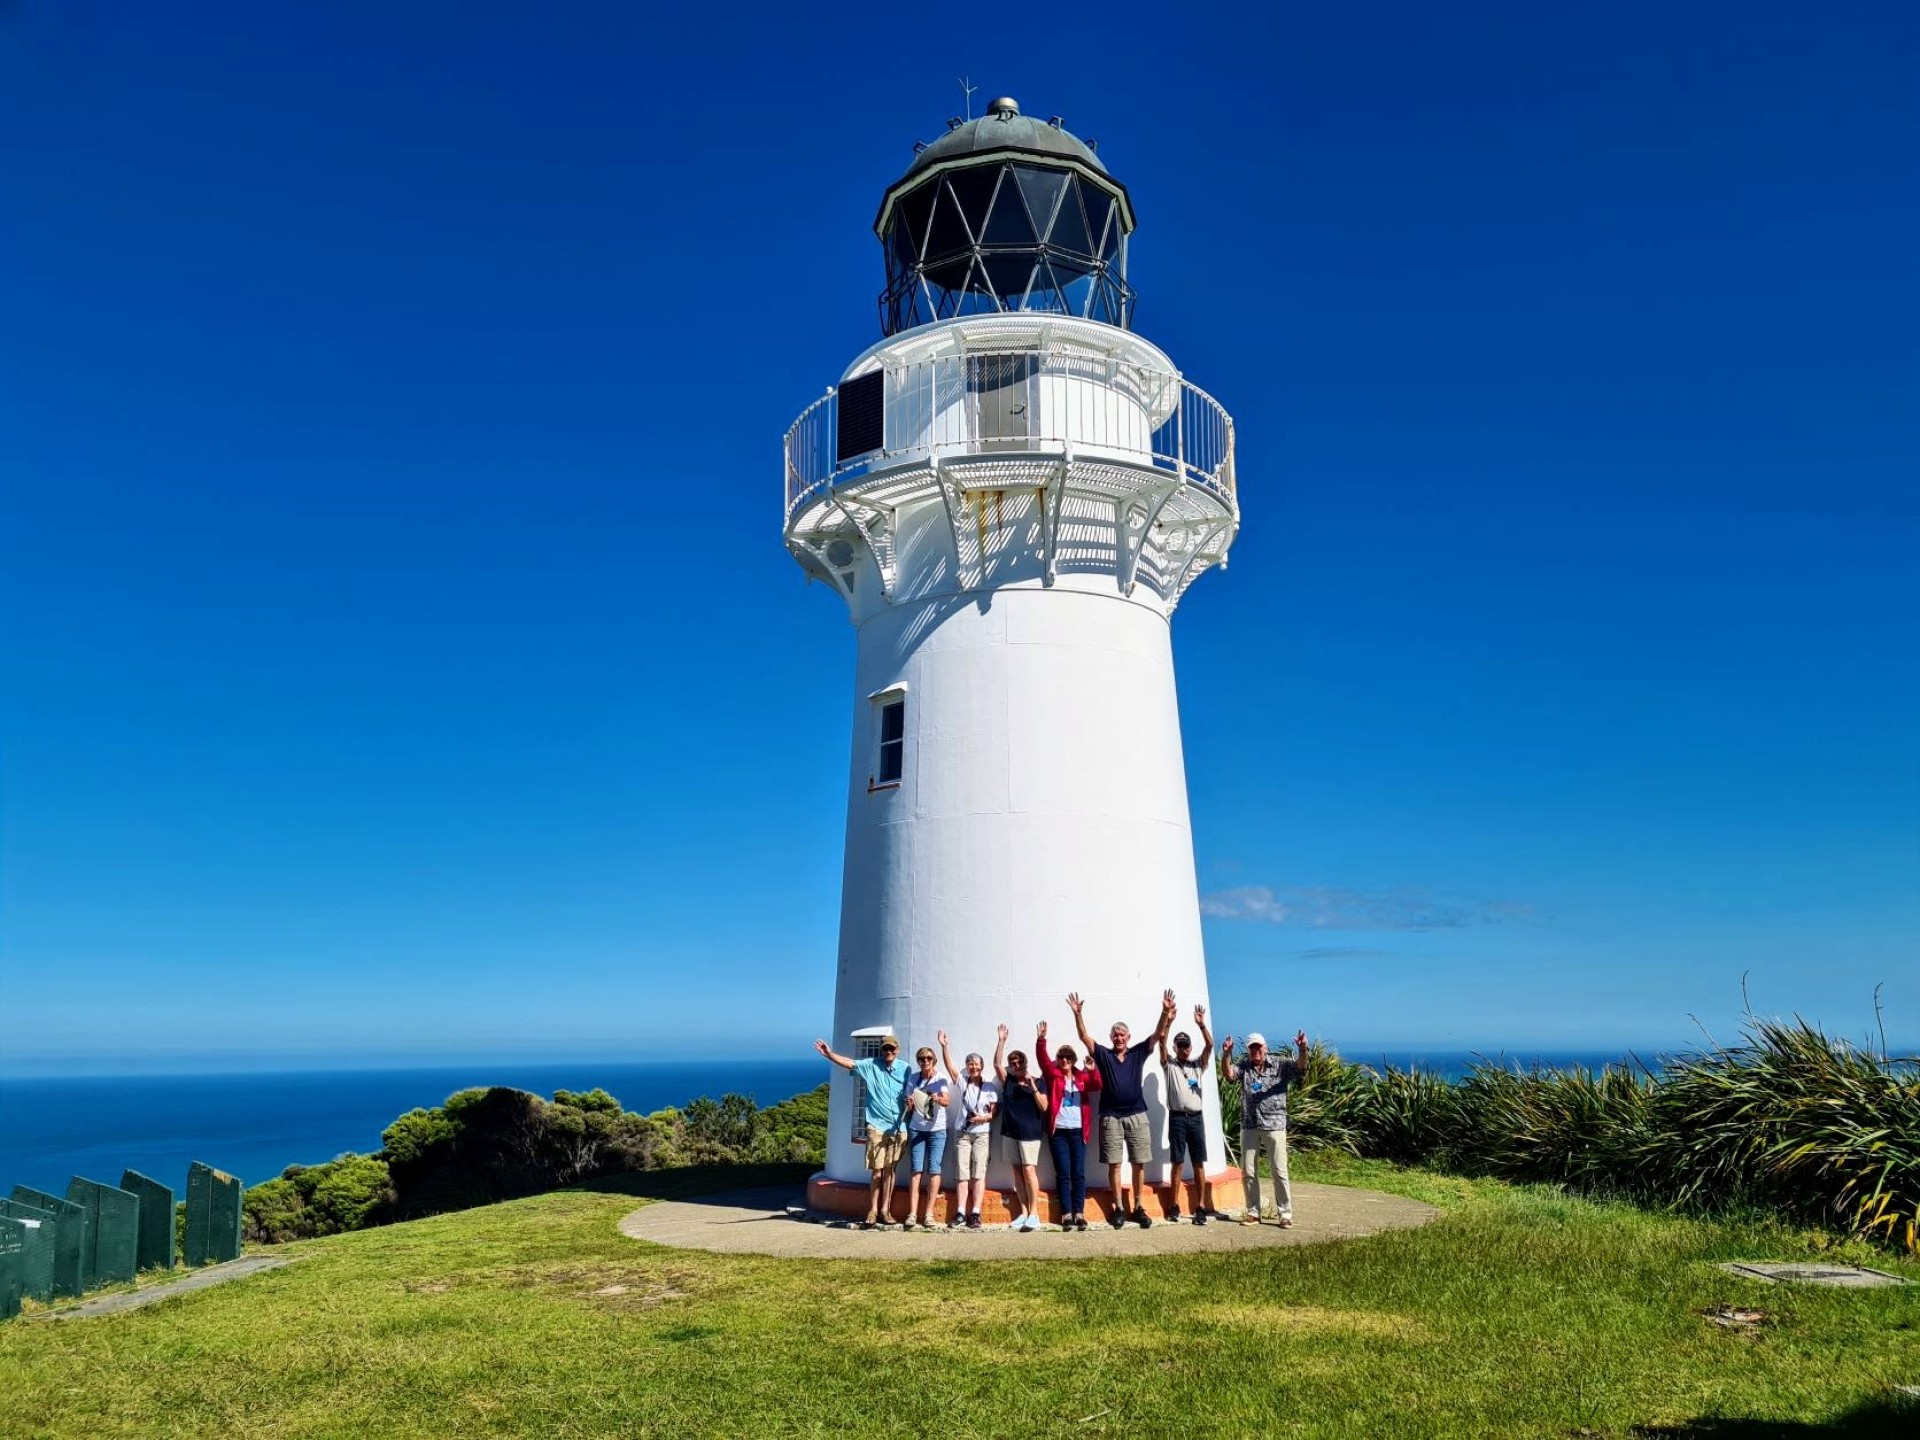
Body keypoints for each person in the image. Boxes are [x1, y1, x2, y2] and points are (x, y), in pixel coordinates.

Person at [1068, 988, 1176, 1228]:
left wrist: (1165, 1011)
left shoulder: (1138, 1053)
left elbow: (1158, 1034)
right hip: (1111, 1117)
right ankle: (1118, 1207)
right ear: (1111, 1037)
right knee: (1114, 1164)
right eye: (1115, 1035)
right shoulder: (1103, 1055)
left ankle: (1138, 1206)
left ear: (1128, 1037)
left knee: (1139, 1163)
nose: (1119, 1038)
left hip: (1137, 1115)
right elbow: (1084, 1037)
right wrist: (1078, 1014)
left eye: (1122, 1035)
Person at [813, 1034, 911, 1228]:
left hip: (898, 1127)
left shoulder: (906, 1069)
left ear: (897, 1050)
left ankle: (886, 1210)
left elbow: (911, 1091)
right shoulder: (871, 1065)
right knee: (877, 1171)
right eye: (885, 1049)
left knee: (890, 1171)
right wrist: (829, 1054)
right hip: (877, 1126)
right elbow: (850, 1063)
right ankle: (873, 1210)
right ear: (881, 1050)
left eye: (892, 1049)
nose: (888, 1052)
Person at [1220, 1028, 1310, 1226]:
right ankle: (1253, 1212)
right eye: (1252, 1048)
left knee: (1279, 1171)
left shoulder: (1280, 1065)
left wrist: (1303, 1049)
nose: (1256, 1051)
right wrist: (1226, 1054)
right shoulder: (1244, 1066)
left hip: (1274, 1124)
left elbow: (1300, 1067)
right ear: (1248, 1050)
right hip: (1249, 1123)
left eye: (1258, 1047)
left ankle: (1285, 1214)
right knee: (1248, 1171)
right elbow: (1229, 1074)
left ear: (1265, 1047)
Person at [1034, 1019, 1101, 1232]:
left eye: (1068, 1057)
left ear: (1073, 1060)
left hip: (1078, 1132)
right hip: (1059, 1132)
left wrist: (1092, 1070)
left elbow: (1097, 1085)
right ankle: (1066, 1214)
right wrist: (1041, 1040)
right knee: (1063, 1173)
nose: (1064, 1060)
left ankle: (1079, 1213)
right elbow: (1043, 1061)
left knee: (1078, 1173)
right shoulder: (1054, 1076)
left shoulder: (1081, 1076)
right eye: (1061, 1057)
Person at [1157, 1003, 1217, 1224]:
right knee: (1178, 1163)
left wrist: (1201, 1025)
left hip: (1196, 1118)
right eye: (1180, 1045)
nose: (1183, 1049)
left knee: (1199, 1162)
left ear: (1190, 1048)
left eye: (1186, 1045)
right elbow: (1161, 1041)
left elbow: (1210, 1045)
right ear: (1175, 1047)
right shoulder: (1169, 1065)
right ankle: (1174, 1205)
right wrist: (1169, 1021)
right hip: (1177, 1118)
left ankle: (1200, 1207)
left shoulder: (1197, 1065)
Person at [939, 1030, 998, 1231]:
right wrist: (944, 1046)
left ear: (982, 1067)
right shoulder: (962, 1082)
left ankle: (975, 1213)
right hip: (962, 1133)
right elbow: (949, 1066)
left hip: (981, 1133)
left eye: (976, 1064)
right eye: (970, 1064)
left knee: (979, 1173)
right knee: (962, 1173)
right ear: (967, 1066)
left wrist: (982, 1118)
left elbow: (993, 1114)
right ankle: (961, 1212)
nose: (973, 1067)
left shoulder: (990, 1087)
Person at [993, 1022, 1048, 1232]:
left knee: (1029, 1171)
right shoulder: (1008, 1081)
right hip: (1010, 1133)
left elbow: (1044, 1106)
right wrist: (1001, 1041)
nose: (1016, 1065)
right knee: (1017, 1173)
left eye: (1019, 1061)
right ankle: (1023, 1212)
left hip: (1030, 1134)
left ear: (1025, 1062)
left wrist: (1032, 1086)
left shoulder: (1039, 1082)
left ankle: (1034, 1214)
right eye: (1013, 1062)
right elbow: (997, 1063)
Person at [901, 1042, 952, 1230]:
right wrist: (909, 1102)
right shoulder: (914, 1078)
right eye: (922, 1059)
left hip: (937, 1130)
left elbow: (947, 1101)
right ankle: (912, 1213)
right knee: (916, 1170)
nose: (925, 1061)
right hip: (917, 1128)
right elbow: (909, 1102)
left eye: (929, 1058)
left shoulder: (940, 1078)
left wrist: (937, 1098)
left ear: (934, 1060)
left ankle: (929, 1213)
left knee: (934, 1169)